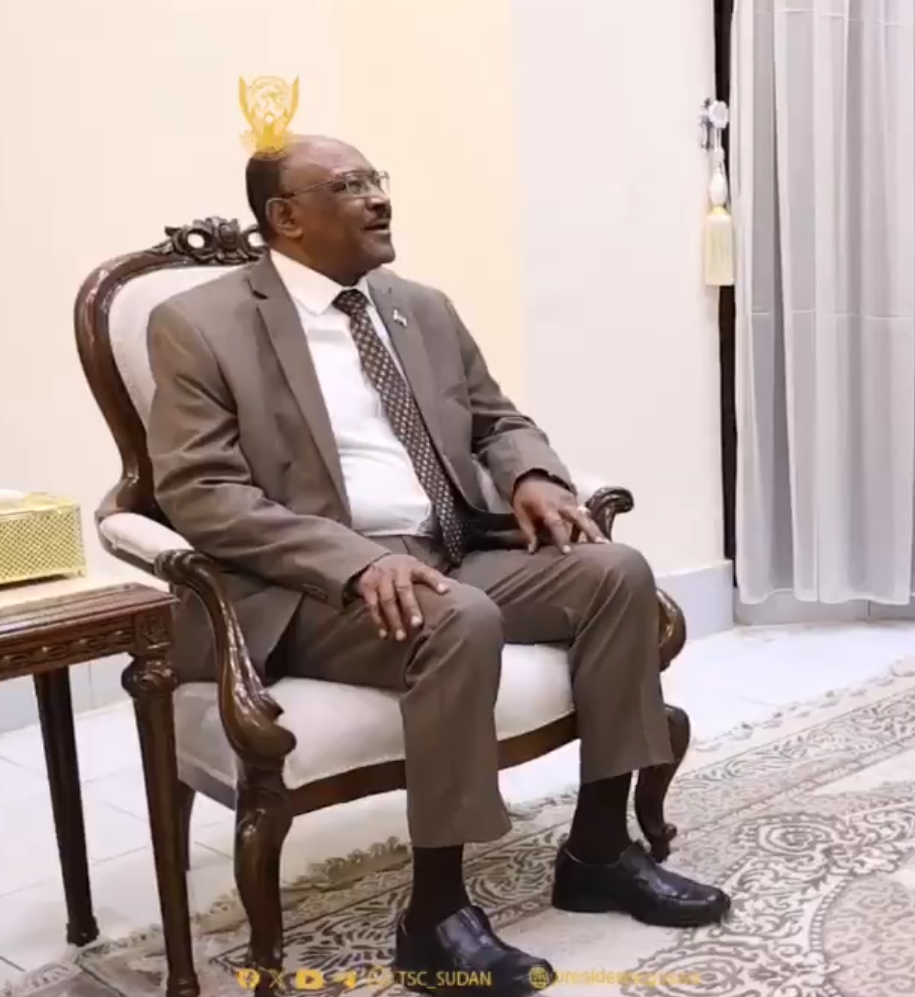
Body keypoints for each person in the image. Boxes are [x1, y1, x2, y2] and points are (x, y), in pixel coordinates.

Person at [145, 135, 730, 995]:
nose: (379, 198)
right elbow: (203, 493)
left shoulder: (420, 306)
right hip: (313, 584)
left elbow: (497, 419)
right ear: (286, 217)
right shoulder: (199, 323)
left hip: (449, 548)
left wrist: (531, 476)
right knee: (458, 616)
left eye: (376, 180)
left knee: (616, 572)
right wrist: (352, 562)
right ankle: (436, 915)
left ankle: (601, 851)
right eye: (350, 185)